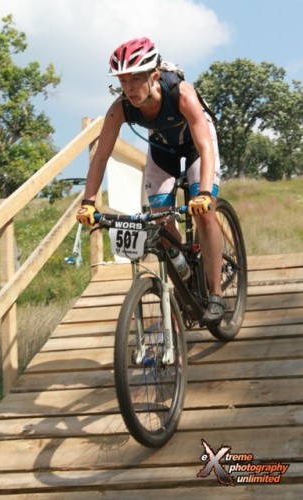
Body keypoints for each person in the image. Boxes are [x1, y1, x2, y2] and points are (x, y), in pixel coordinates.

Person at [77, 37, 225, 325]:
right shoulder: (120, 107)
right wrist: (88, 201)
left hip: (197, 145)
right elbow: (100, 157)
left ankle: (217, 293)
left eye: (135, 79)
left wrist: (204, 193)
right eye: (122, 80)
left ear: (154, 75)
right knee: (159, 223)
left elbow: (206, 147)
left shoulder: (181, 94)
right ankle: (185, 269)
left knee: (205, 214)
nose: (129, 88)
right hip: (163, 150)